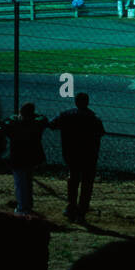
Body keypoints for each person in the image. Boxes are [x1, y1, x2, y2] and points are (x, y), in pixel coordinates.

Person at [49, 93, 106, 221]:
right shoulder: (94, 117)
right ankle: (82, 211)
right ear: (87, 102)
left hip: (71, 153)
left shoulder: (66, 115)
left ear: (75, 102)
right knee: (87, 183)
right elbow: (101, 133)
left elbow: (52, 124)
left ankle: (71, 206)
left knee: (73, 179)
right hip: (89, 154)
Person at [0, 103, 49, 215]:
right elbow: (44, 119)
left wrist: (14, 117)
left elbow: (3, 123)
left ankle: (22, 208)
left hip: (17, 157)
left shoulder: (14, 125)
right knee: (27, 181)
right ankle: (28, 205)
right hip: (31, 156)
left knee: (20, 183)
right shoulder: (36, 124)